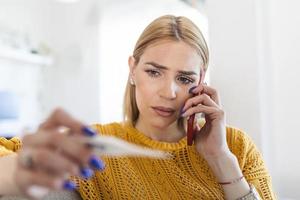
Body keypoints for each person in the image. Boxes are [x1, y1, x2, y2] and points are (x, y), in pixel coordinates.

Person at [0, 15, 276, 199]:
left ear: (201, 81)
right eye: (154, 72)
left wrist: (220, 160)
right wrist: (22, 167)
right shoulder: (97, 146)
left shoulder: (236, 147)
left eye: (184, 78)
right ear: (133, 70)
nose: (169, 92)